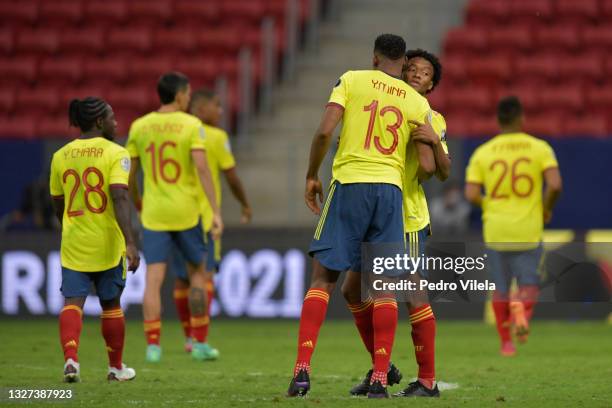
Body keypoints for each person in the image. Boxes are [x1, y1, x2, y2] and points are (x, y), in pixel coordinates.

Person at [287, 34, 433, 399]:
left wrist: (310, 174)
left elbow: (324, 131)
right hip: (390, 192)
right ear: (402, 64)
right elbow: (429, 167)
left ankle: (302, 372)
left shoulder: (352, 79)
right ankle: (381, 379)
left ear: (375, 58)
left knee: (323, 279)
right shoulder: (415, 101)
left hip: (350, 182)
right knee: (383, 286)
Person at [345, 49, 450, 398]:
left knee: (409, 293)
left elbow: (436, 172)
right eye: (412, 68)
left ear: (432, 84)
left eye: (425, 72)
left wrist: (432, 141)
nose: (417, 74)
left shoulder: (431, 117)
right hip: (375, 212)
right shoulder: (389, 103)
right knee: (352, 290)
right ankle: (383, 367)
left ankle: (427, 380)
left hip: (405, 217)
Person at [126, 72, 223, 362]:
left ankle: (153, 346)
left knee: (153, 279)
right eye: (188, 94)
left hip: (154, 212)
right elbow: (203, 169)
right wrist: (215, 211)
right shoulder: (192, 125)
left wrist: (139, 202)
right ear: (179, 95)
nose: (190, 98)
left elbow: (130, 176)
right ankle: (200, 342)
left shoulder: (139, 127)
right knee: (197, 274)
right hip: (187, 211)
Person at [49, 97, 140, 382]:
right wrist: (131, 241)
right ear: (100, 122)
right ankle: (115, 368)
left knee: (72, 302)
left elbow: (56, 202)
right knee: (111, 304)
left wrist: (70, 225)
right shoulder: (116, 153)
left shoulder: (60, 155)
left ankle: (71, 361)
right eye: (112, 117)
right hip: (107, 243)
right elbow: (119, 195)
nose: (116, 122)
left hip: (74, 242)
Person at [465, 96, 562, 356]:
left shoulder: (483, 152)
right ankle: (522, 309)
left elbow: (471, 193)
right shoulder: (539, 148)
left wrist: (488, 204)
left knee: (500, 289)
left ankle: (506, 344)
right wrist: (546, 207)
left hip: (496, 230)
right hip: (528, 229)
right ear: (521, 118)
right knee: (528, 285)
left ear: (498, 120)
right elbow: (554, 184)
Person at [171, 88, 252, 358]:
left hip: (176, 215)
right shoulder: (216, 137)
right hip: (205, 219)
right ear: (200, 109)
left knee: (182, 280)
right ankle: (199, 340)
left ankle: (188, 339)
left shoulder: (177, 132)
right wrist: (244, 203)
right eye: (217, 106)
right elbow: (231, 176)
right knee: (204, 277)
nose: (220, 111)